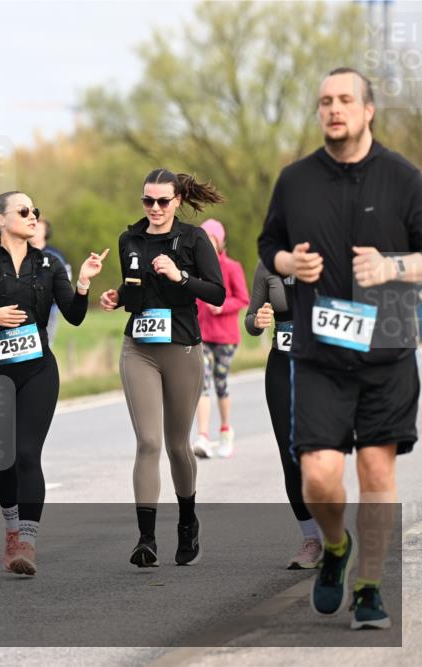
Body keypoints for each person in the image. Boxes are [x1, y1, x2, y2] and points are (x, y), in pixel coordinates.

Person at [258, 67, 422, 630]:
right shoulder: (295, 179)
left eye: (346, 99)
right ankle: (334, 545)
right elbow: (269, 244)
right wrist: (288, 264)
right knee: (319, 477)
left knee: (377, 473)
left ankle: (370, 587)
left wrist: (392, 266)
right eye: (325, 100)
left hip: (389, 347)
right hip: (320, 351)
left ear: (368, 109)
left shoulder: (404, 178)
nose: (334, 108)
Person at [0, 191, 108, 575]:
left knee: (28, 454)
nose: (33, 215)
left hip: (38, 369)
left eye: (36, 210)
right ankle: (12, 530)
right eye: (23, 211)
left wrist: (83, 283)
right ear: (0, 219)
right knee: (5, 458)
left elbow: (76, 316)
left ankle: (27, 543)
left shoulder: (50, 264)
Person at [99, 169, 225, 568]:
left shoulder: (193, 239)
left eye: (162, 202)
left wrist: (180, 275)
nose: (154, 208)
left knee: (176, 445)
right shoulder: (129, 239)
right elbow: (134, 287)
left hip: (182, 348)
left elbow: (217, 293)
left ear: (177, 202)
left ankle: (187, 522)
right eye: (147, 201)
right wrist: (116, 296)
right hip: (139, 347)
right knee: (148, 442)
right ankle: (146, 539)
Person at [244, 260, 322, 569]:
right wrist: (258, 321)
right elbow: (250, 320)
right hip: (281, 366)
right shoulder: (266, 265)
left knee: (318, 455)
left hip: (322, 366)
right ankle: (311, 539)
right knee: (290, 456)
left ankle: (334, 532)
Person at [192, 219, 249, 458]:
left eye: (211, 238)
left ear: (219, 241)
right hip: (202, 335)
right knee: (201, 384)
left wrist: (222, 306)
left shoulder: (232, 267)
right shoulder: (194, 268)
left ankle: (226, 431)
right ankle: (203, 437)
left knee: (221, 382)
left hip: (226, 336)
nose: (207, 243)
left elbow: (243, 299)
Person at [30, 216, 72, 345]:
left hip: (48, 310)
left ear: (46, 232)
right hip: (23, 310)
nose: (35, 231)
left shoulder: (55, 255)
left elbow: (66, 281)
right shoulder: (19, 252)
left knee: (44, 347)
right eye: (32, 227)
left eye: (39, 228)